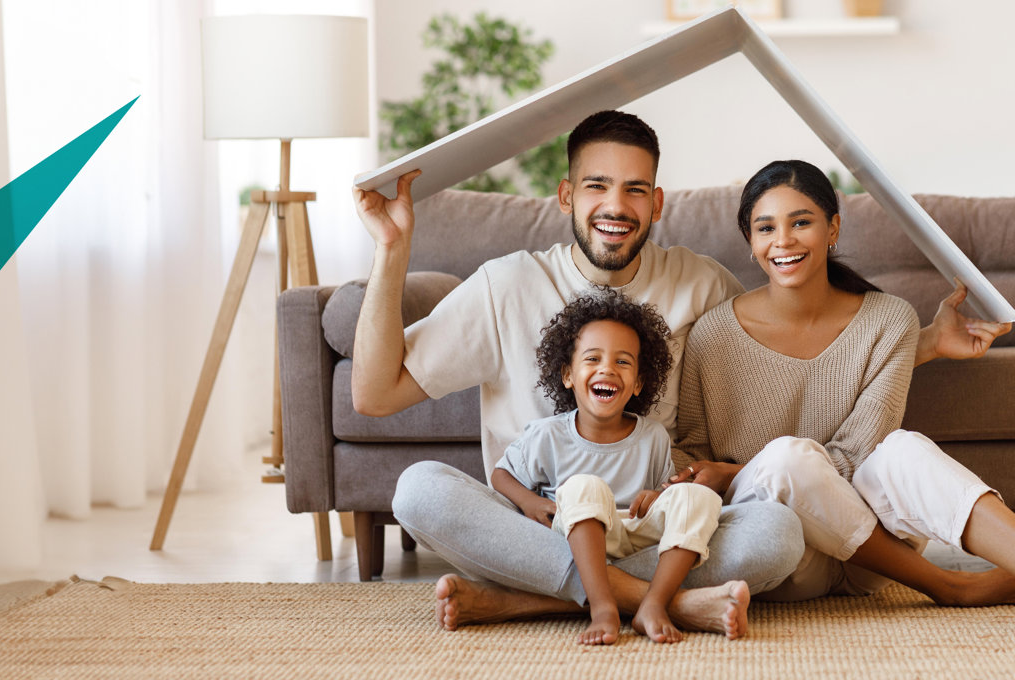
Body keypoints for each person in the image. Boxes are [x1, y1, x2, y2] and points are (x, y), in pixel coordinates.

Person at [351, 110, 1008, 633]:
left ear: (658, 202)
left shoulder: (701, 286)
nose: (616, 205)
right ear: (566, 195)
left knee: (775, 533)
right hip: (538, 533)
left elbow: (793, 354)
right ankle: (662, 602)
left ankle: (540, 600)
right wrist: (392, 250)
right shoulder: (505, 286)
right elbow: (375, 394)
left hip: (658, 531)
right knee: (419, 492)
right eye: (597, 186)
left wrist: (919, 342)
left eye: (635, 189)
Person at [671, 159, 1015, 606]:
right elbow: (692, 453)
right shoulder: (713, 334)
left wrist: (733, 470)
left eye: (801, 222)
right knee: (786, 459)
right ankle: (947, 585)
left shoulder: (889, 319)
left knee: (902, 449)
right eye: (766, 228)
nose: (783, 240)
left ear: (833, 228)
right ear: (751, 242)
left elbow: (855, 457)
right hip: (782, 547)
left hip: (874, 555)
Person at [494, 288, 732, 644]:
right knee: (583, 486)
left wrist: (657, 496)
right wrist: (529, 502)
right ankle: (603, 605)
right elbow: (501, 474)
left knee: (698, 496)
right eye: (593, 358)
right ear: (568, 375)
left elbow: (664, 501)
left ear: (638, 383)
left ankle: (654, 603)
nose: (607, 368)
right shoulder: (547, 436)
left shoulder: (653, 437)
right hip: (576, 535)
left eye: (622, 362)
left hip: (635, 536)